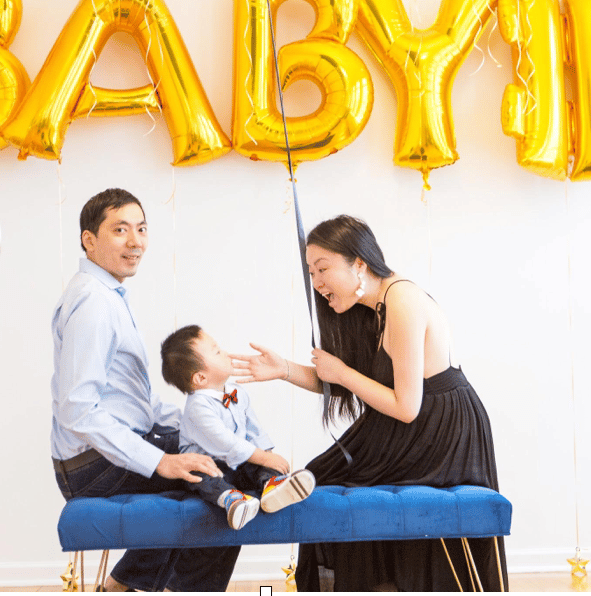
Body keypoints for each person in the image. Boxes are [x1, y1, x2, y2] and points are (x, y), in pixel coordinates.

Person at [233, 215, 509, 592]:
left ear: (358, 263)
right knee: (321, 478)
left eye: (323, 269)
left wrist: (344, 372)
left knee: (322, 477)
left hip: (439, 434)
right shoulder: (375, 308)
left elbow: (406, 405)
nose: (316, 283)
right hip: (411, 430)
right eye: (311, 272)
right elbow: (352, 384)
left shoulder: (403, 299)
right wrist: (284, 369)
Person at [51, 188, 240, 592]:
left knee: (214, 444)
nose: (136, 241)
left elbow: (139, 405)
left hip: (103, 455)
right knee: (226, 479)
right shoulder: (94, 304)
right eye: (120, 230)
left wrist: (204, 413)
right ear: (89, 240)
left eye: (141, 228)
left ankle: (121, 586)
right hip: (93, 468)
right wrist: (160, 462)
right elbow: (77, 409)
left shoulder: (109, 296)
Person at [160, 324, 316, 529]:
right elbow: (225, 442)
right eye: (217, 352)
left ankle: (272, 487)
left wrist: (266, 455)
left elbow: (253, 429)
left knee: (262, 462)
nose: (225, 353)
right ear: (200, 378)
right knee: (202, 475)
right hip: (210, 464)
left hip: (240, 460)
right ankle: (231, 499)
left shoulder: (236, 391)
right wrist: (262, 456)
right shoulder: (198, 406)